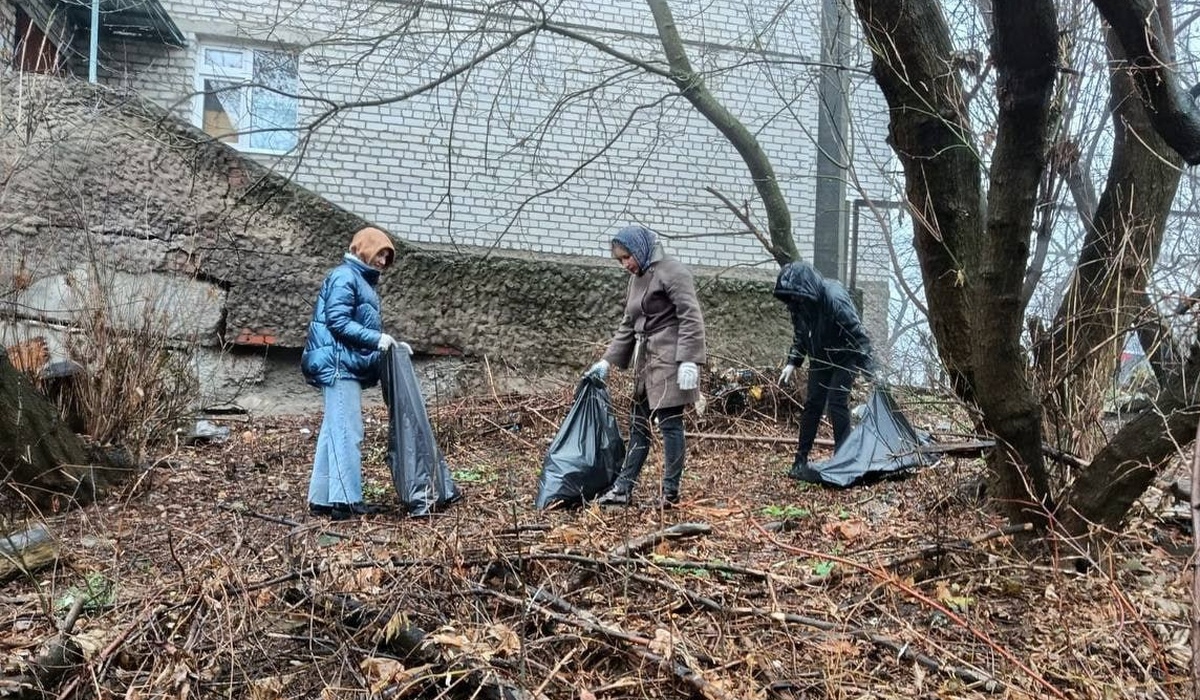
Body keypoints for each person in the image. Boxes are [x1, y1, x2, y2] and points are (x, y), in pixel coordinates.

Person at [587, 225, 707, 508]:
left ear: (640, 249)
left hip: (670, 359)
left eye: (626, 257)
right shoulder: (637, 278)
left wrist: (689, 359)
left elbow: (691, 316)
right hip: (646, 360)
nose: (625, 264)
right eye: (620, 260)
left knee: (669, 425)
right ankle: (623, 489)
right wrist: (607, 360)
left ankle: (670, 494)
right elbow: (629, 323)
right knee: (638, 425)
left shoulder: (672, 271)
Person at [301, 226, 413, 520]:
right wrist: (377, 339)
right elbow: (337, 322)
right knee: (348, 430)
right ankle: (346, 500)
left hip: (342, 364)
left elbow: (352, 327)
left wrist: (392, 346)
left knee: (333, 431)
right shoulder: (345, 276)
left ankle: (322, 498)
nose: (383, 262)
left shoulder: (360, 281)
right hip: (339, 366)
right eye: (380, 254)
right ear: (363, 249)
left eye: (387, 257)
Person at [773, 261, 875, 480]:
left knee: (837, 402)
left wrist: (871, 371)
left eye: (796, 298)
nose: (793, 303)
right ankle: (800, 460)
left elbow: (857, 333)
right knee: (812, 404)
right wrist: (793, 361)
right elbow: (802, 333)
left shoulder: (834, 298)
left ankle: (844, 460)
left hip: (844, 356)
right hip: (819, 357)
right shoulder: (799, 304)